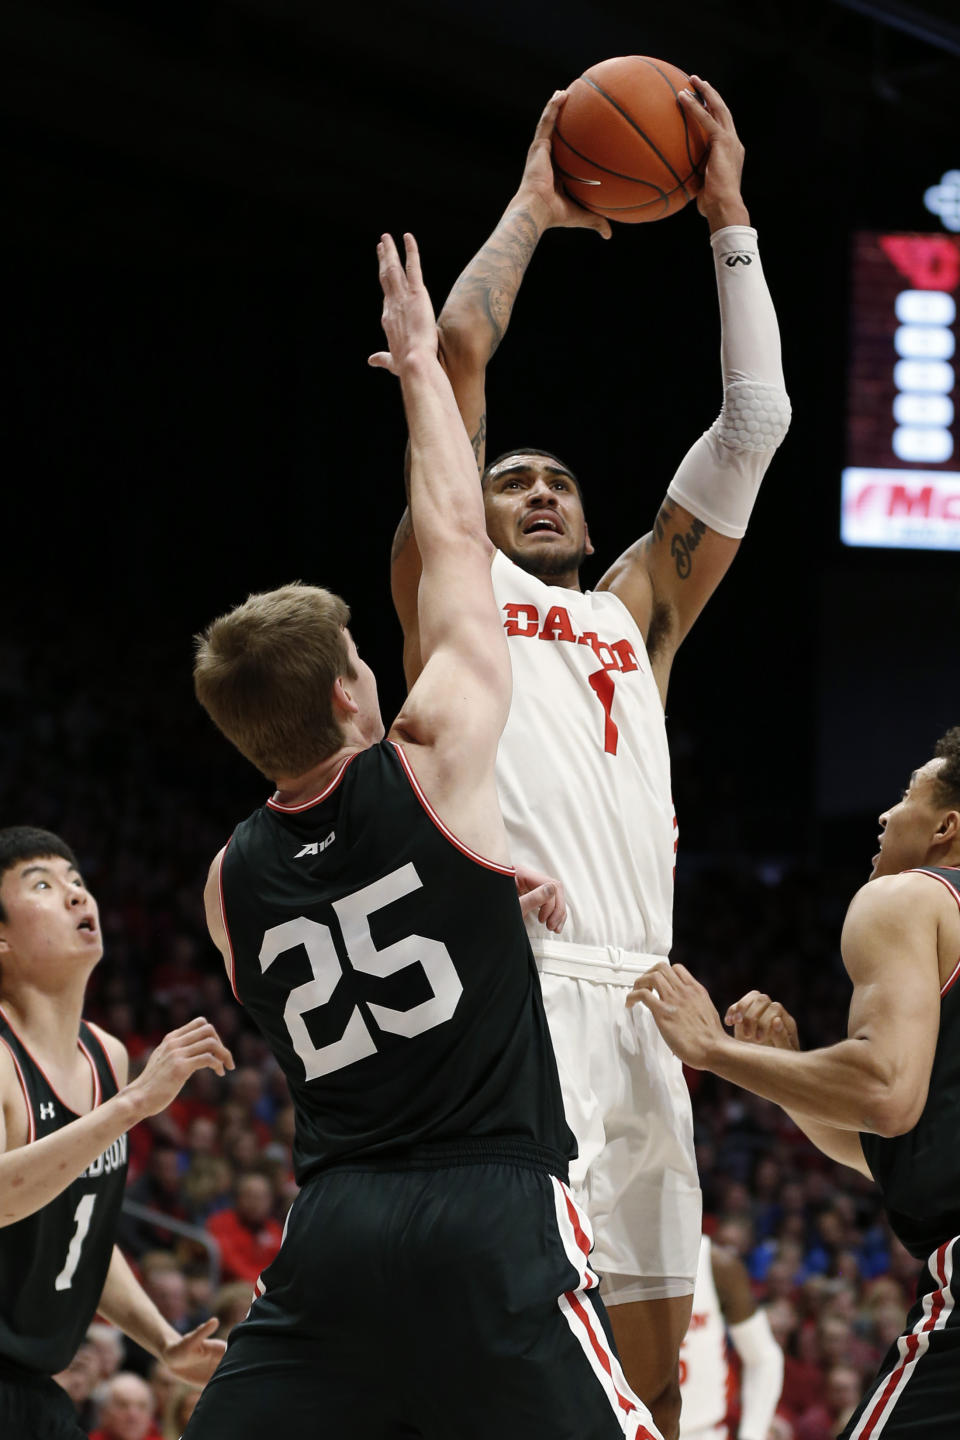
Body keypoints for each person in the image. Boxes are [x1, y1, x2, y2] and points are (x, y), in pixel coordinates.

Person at [183, 232, 658, 1439]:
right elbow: (455, 533)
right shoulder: (436, 751)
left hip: (335, 1224)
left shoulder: (226, 884)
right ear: (353, 694)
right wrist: (420, 376)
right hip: (493, 1200)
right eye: (358, 660)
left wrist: (479, 890)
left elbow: (354, 921)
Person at [389, 77, 791, 1438]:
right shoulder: (452, 589)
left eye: (559, 479)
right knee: (513, 1340)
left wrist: (727, 213)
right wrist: (536, 205)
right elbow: (452, 361)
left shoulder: (637, 612)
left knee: (657, 1373)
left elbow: (757, 427)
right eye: (513, 478)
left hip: (646, 997)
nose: (541, 488)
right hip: (523, 979)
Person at [629, 727, 960, 1438]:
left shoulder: (910, 898)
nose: (884, 814)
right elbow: (893, 1148)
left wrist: (713, 1050)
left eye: (906, 794)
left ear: (945, 826)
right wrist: (783, 1073)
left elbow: (884, 1093)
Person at [0, 826, 234, 1440]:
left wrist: (163, 1342)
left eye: (77, 882)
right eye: (44, 886)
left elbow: (84, 1229)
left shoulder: (106, 1054)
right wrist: (129, 1107)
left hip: (36, 1393)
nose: (78, 896)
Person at [679, 1234, 783, 1440]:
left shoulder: (715, 1264)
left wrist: (752, 1433)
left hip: (702, 1433)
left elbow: (764, 1358)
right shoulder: (605, 1258)